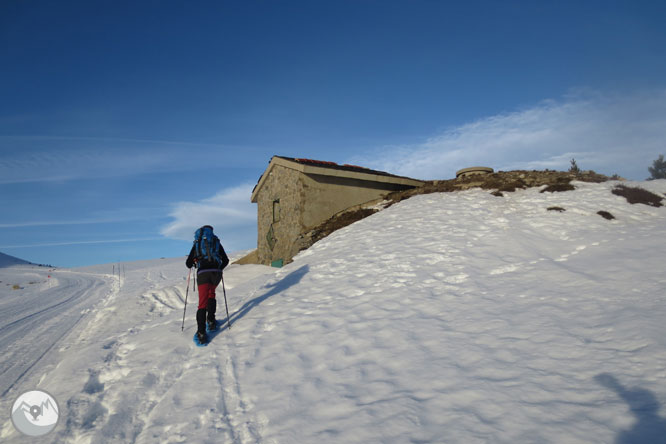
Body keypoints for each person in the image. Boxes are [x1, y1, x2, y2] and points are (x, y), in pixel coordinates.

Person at [186, 225, 230, 343]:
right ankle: (211, 321)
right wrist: (219, 268)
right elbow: (226, 260)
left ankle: (201, 333)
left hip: (203, 274)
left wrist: (196, 262)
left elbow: (188, 263)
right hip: (216, 274)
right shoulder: (215, 241)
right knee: (211, 294)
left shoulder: (197, 243)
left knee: (202, 304)